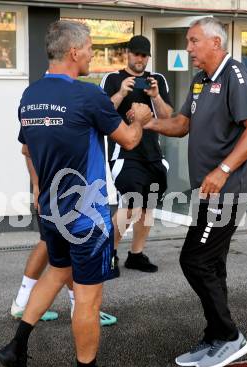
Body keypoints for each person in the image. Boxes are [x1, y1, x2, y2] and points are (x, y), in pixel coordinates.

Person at [0, 20, 152, 367]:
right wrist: (142, 121)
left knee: (56, 271)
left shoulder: (30, 96)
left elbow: (28, 150)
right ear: (74, 53)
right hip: (87, 214)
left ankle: (16, 345)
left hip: (51, 210)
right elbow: (129, 140)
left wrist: (37, 187)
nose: (93, 55)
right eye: (91, 49)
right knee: (88, 297)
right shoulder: (86, 96)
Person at [139, 17, 247, 367]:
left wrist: (222, 170)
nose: (189, 48)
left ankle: (229, 336)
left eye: (194, 41)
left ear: (215, 42)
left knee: (194, 260)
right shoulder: (199, 82)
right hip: (208, 193)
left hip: (229, 192)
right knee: (212, 264)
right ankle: (215, 337)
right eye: (188, 41)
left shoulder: (234, 76)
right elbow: (182, 125)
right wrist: (146, 122)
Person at [100, 35, 173, 273]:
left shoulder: (157, 80)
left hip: (153, 154)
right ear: (128, 54)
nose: (139, 59)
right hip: (125, 153)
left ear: (148, 57)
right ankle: (107, 253)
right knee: (131, 205)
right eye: (136, 54)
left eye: (144, 55)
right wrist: (121, 92)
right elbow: (101, 114)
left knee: (148, 206)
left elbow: (167, 117)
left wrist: (156, 97)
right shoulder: (112, 78)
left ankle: (136, 254)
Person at [10, 219, 118, 326]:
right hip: (74, 207)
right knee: (65, 249)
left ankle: (22, 302)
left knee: (49, 242)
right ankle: (79, 308)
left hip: (51, 205)